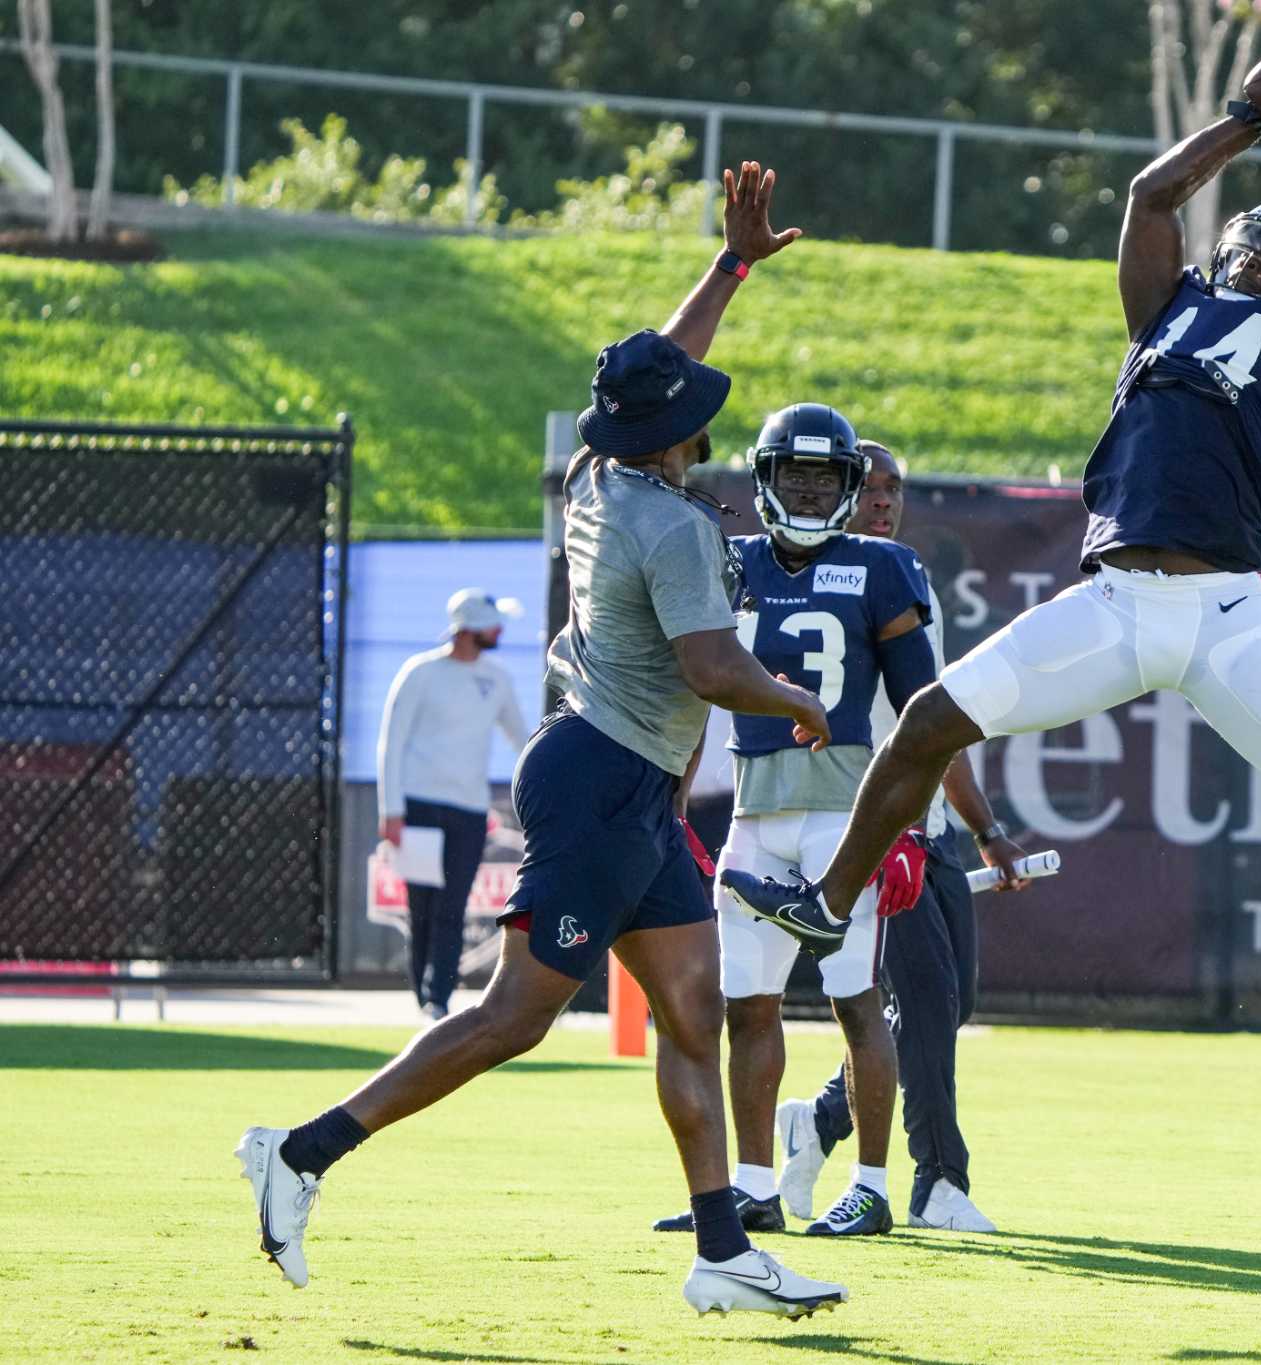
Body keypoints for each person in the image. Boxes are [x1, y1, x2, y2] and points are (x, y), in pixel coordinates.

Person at [721, 53, 1261, 1047]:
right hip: (1115, 603)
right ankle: (830, 899)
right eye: (1242, 248)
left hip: (1222, 616)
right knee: (929, 720)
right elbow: (1150, 192)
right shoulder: (1166, 314)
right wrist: (1247, 117)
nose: (1259, 257)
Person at [236, 162, 849, 1320]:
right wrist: (801, 704)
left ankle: (721, 1252)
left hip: (627, 788)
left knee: (690, 1012)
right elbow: (711, 672)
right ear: (688, 430)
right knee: (510, 1019)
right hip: (604, 779)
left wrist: (729, 268)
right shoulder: (667, 523)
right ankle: (301, 1153)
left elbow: (652, 371)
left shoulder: (595, 467)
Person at [653, 440, 1027, 1239]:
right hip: (755, 812)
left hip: (844, 818)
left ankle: (870, 1185)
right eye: (797, 476)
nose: (813, 492)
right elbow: (696, 693)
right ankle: (753, 1186)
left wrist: (900, 828)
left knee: (858, 1001)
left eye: (828, 479)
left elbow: (929, 716)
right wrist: (672, 809)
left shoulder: (883, 568)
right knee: (746, 1005)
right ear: (765, 480)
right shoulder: (734, 562)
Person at [377, 588, 528, 1020]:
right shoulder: (419, 672)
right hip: (419, 806)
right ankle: (422, 993)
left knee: (452, 905)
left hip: (468, 810)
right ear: (467, 628)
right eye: (491, 623)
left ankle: (437, 998)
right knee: (421, 906)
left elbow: (521, 736)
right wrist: (391, 811)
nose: (499, 630)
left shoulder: (497, 677)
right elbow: (392, 743)